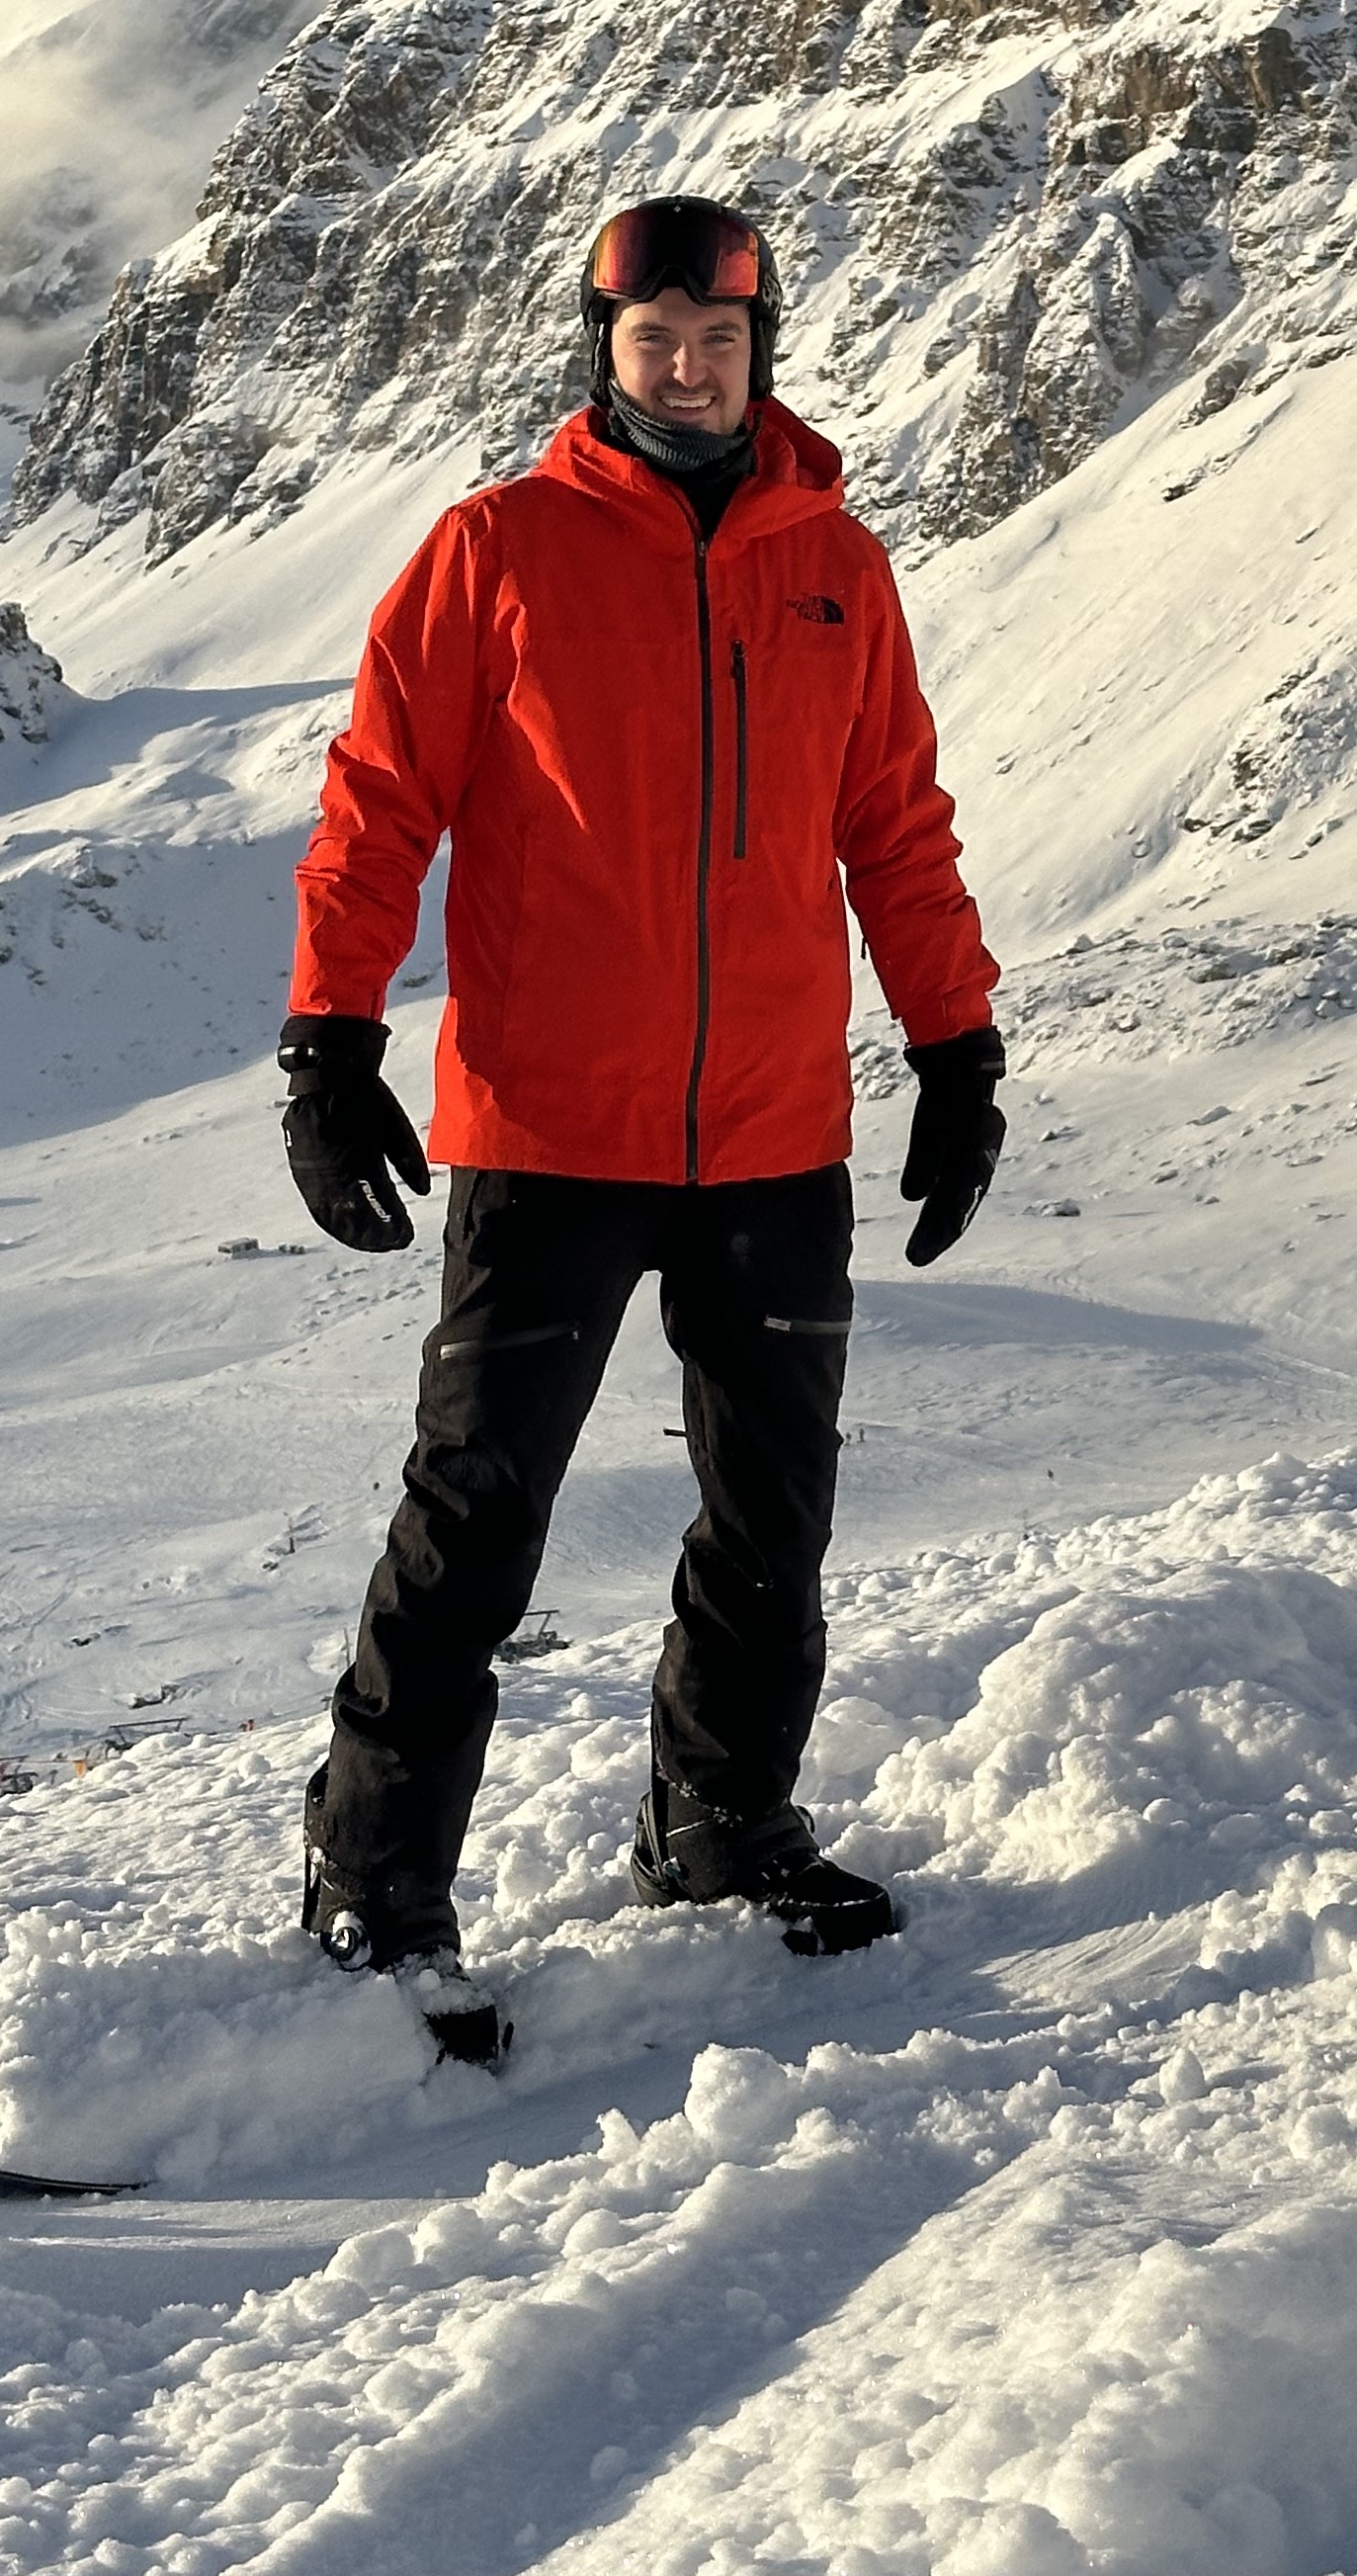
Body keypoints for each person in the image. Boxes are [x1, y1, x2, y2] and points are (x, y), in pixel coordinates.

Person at [277, 197, 1003, 2042]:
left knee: (773, 1512)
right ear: (601, 347)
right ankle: (375, 1902)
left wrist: (956, 1049)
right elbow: (380, 800)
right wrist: (329, 1038)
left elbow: (896, 827)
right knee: (476, 1519)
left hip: (769, 1130)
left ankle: (725, 1828)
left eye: (720, 340)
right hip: (548, 1129)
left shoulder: (838, 563)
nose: (688, 368)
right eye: (654, 338)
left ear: (765, 350)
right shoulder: (499, 549)